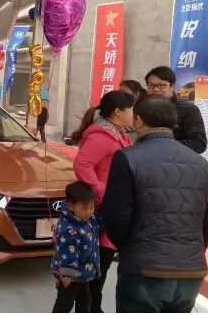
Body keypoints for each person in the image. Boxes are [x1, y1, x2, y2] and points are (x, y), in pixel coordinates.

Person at [102, 96, 208, 313]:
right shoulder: (201, 164)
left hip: (144, 270)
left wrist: (129, 251)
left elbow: (117, 218)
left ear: (139, 120)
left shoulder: (127, 157)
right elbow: (206, 223)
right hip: (191, 272)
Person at [71, 91, 134, 312]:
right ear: (118, 112)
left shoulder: (118, 134)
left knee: (100, 266)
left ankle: (92, 308)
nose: (134, 114)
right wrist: (101, 191)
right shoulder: (101, 136)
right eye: (131, 109)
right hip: (101, 211)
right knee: (97, 268)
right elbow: (82, 165)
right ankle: (90, 309)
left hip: (111, 208)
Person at [50, 181, 101, 313]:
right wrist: (67, 275)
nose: (88, 212)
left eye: (91, 207)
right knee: (64, 304)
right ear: (71, 206)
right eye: (84, 208)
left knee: (85, 301)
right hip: (69, 275)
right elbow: (67, 253)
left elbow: (97, 225)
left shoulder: (87, 220)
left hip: (83, 272)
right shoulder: (68, 229)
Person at [145, 66, 207, 153]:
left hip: (176, 159)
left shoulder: (189, 110)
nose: (156, 89)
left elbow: (199, 143)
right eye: (151, 85)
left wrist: (163, 147)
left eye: (161, 85)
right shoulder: (143, 109)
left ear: (172, 86)